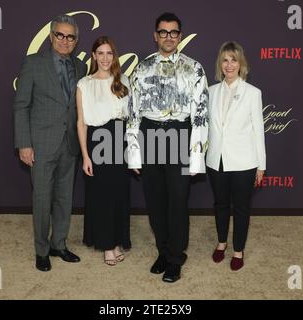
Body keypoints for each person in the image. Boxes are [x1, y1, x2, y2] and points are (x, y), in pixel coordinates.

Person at [127, 12, 209, 282]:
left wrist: (197, 157)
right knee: (156, 200)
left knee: (177, 200)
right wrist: (134, 153)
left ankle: (175, 257)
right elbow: (133, 113)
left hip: (179, 134)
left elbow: (200, 115)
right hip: (150, 134)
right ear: (155, 35)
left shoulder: (194, 68)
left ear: (180, 36)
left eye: (174, 32)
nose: (169, 37)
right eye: (163, 32)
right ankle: (163, 250)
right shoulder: (142, 68)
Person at [13, 15, 87, 272]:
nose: (65, 41)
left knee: (64, 198)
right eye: (60, 35)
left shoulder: (80, 67)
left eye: (71, 37)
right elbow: (21, 106)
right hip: (41, 144)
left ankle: (59, 244)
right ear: (51, 36)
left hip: (70, 144)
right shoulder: (34, 63)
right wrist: (24, 144)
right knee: (43, 199)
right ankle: (42, 250)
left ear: (76, 40)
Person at [206, 41, 266, 271]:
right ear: (220, 64)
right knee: (220, 204)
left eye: (234, 59)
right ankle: (221, 243)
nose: (229, 64)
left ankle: (238, 249)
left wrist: (261, 166)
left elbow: (258, 131)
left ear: (241, 64)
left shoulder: (252, 93)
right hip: (216, 160)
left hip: (244, 162)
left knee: (241, 207)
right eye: (225, 59)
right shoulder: (210, 92)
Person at [76, 36, 131, 266]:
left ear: (114, 56)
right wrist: (85, 155)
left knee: (119, 194)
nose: (106, 58)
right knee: (102, 195)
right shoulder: (84, 84)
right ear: (94, 56)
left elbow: (131, 118)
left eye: (110, 53)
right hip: (97, 141)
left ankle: (117, 239)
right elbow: (81, 122)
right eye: (101, 53)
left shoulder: (124, 80)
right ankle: (107, 245)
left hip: (121, 140)